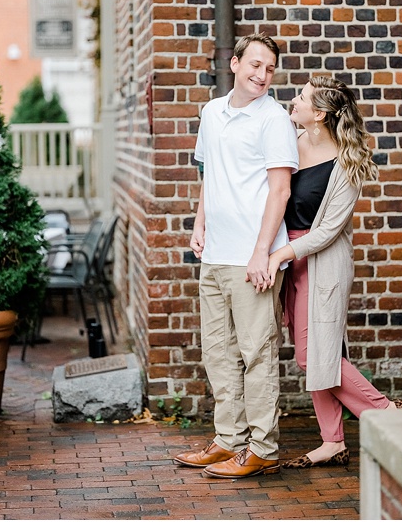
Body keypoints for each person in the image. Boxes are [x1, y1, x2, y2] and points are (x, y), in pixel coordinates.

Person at [173, 33, 298, 478]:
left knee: (257, 352)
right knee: (218, 353)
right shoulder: (211, 113)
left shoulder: (274, 119)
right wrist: (199, 223)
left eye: (269, 69)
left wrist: (263, 253)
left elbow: (280, 189)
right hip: (216, 255)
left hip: (254, 258)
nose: (262, 75)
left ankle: (262, 447)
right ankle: (228, 441)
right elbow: (210, 176)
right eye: (255, 65)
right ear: (235, 63)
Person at [264, 76, 402, 470]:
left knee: (315, 357)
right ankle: (331, 441)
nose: (294, 99)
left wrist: (281, 255)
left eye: (303, 97)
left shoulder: (347, 163)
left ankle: (386, 411)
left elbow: (327, 231)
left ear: (320, 114)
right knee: (315, 353)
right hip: (290, 258)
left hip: (321, 261)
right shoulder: (292, 140)